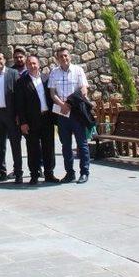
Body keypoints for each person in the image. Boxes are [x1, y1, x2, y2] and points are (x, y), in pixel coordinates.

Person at [48, 46, 90, 184]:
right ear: (57, 59)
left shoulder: (78, 70)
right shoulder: (54, 73)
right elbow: (52, 93)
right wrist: (62, 105)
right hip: (62, 113)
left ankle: (84, 172)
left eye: (65, 55)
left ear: (70, 56)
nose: (64, 58)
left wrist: (70, 104)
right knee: (65, 145)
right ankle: (69, 173)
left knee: (82, 144)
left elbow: (83, 90)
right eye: (61, 56)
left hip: (76, 112)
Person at [16, 53, 57, 185]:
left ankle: (49, 173)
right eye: (29, 64)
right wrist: (23, 122)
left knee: (49, 146)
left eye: (34, 63)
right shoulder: (21, 82)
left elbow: (52, 98)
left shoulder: (46, 79)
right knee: (32, 148)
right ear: (26, 66)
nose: (32, 66)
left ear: (39, 64)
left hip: (47, 117)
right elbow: (20, 105)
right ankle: (34, 174)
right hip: (31, 120)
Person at [0, 51, 23, 184]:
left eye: (0, 59)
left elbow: (19, 97)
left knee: (15, 145)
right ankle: (1, 172)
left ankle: (18, 173)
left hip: (11, 115)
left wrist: (19, 115)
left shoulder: (13, 74)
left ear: (4, 60)